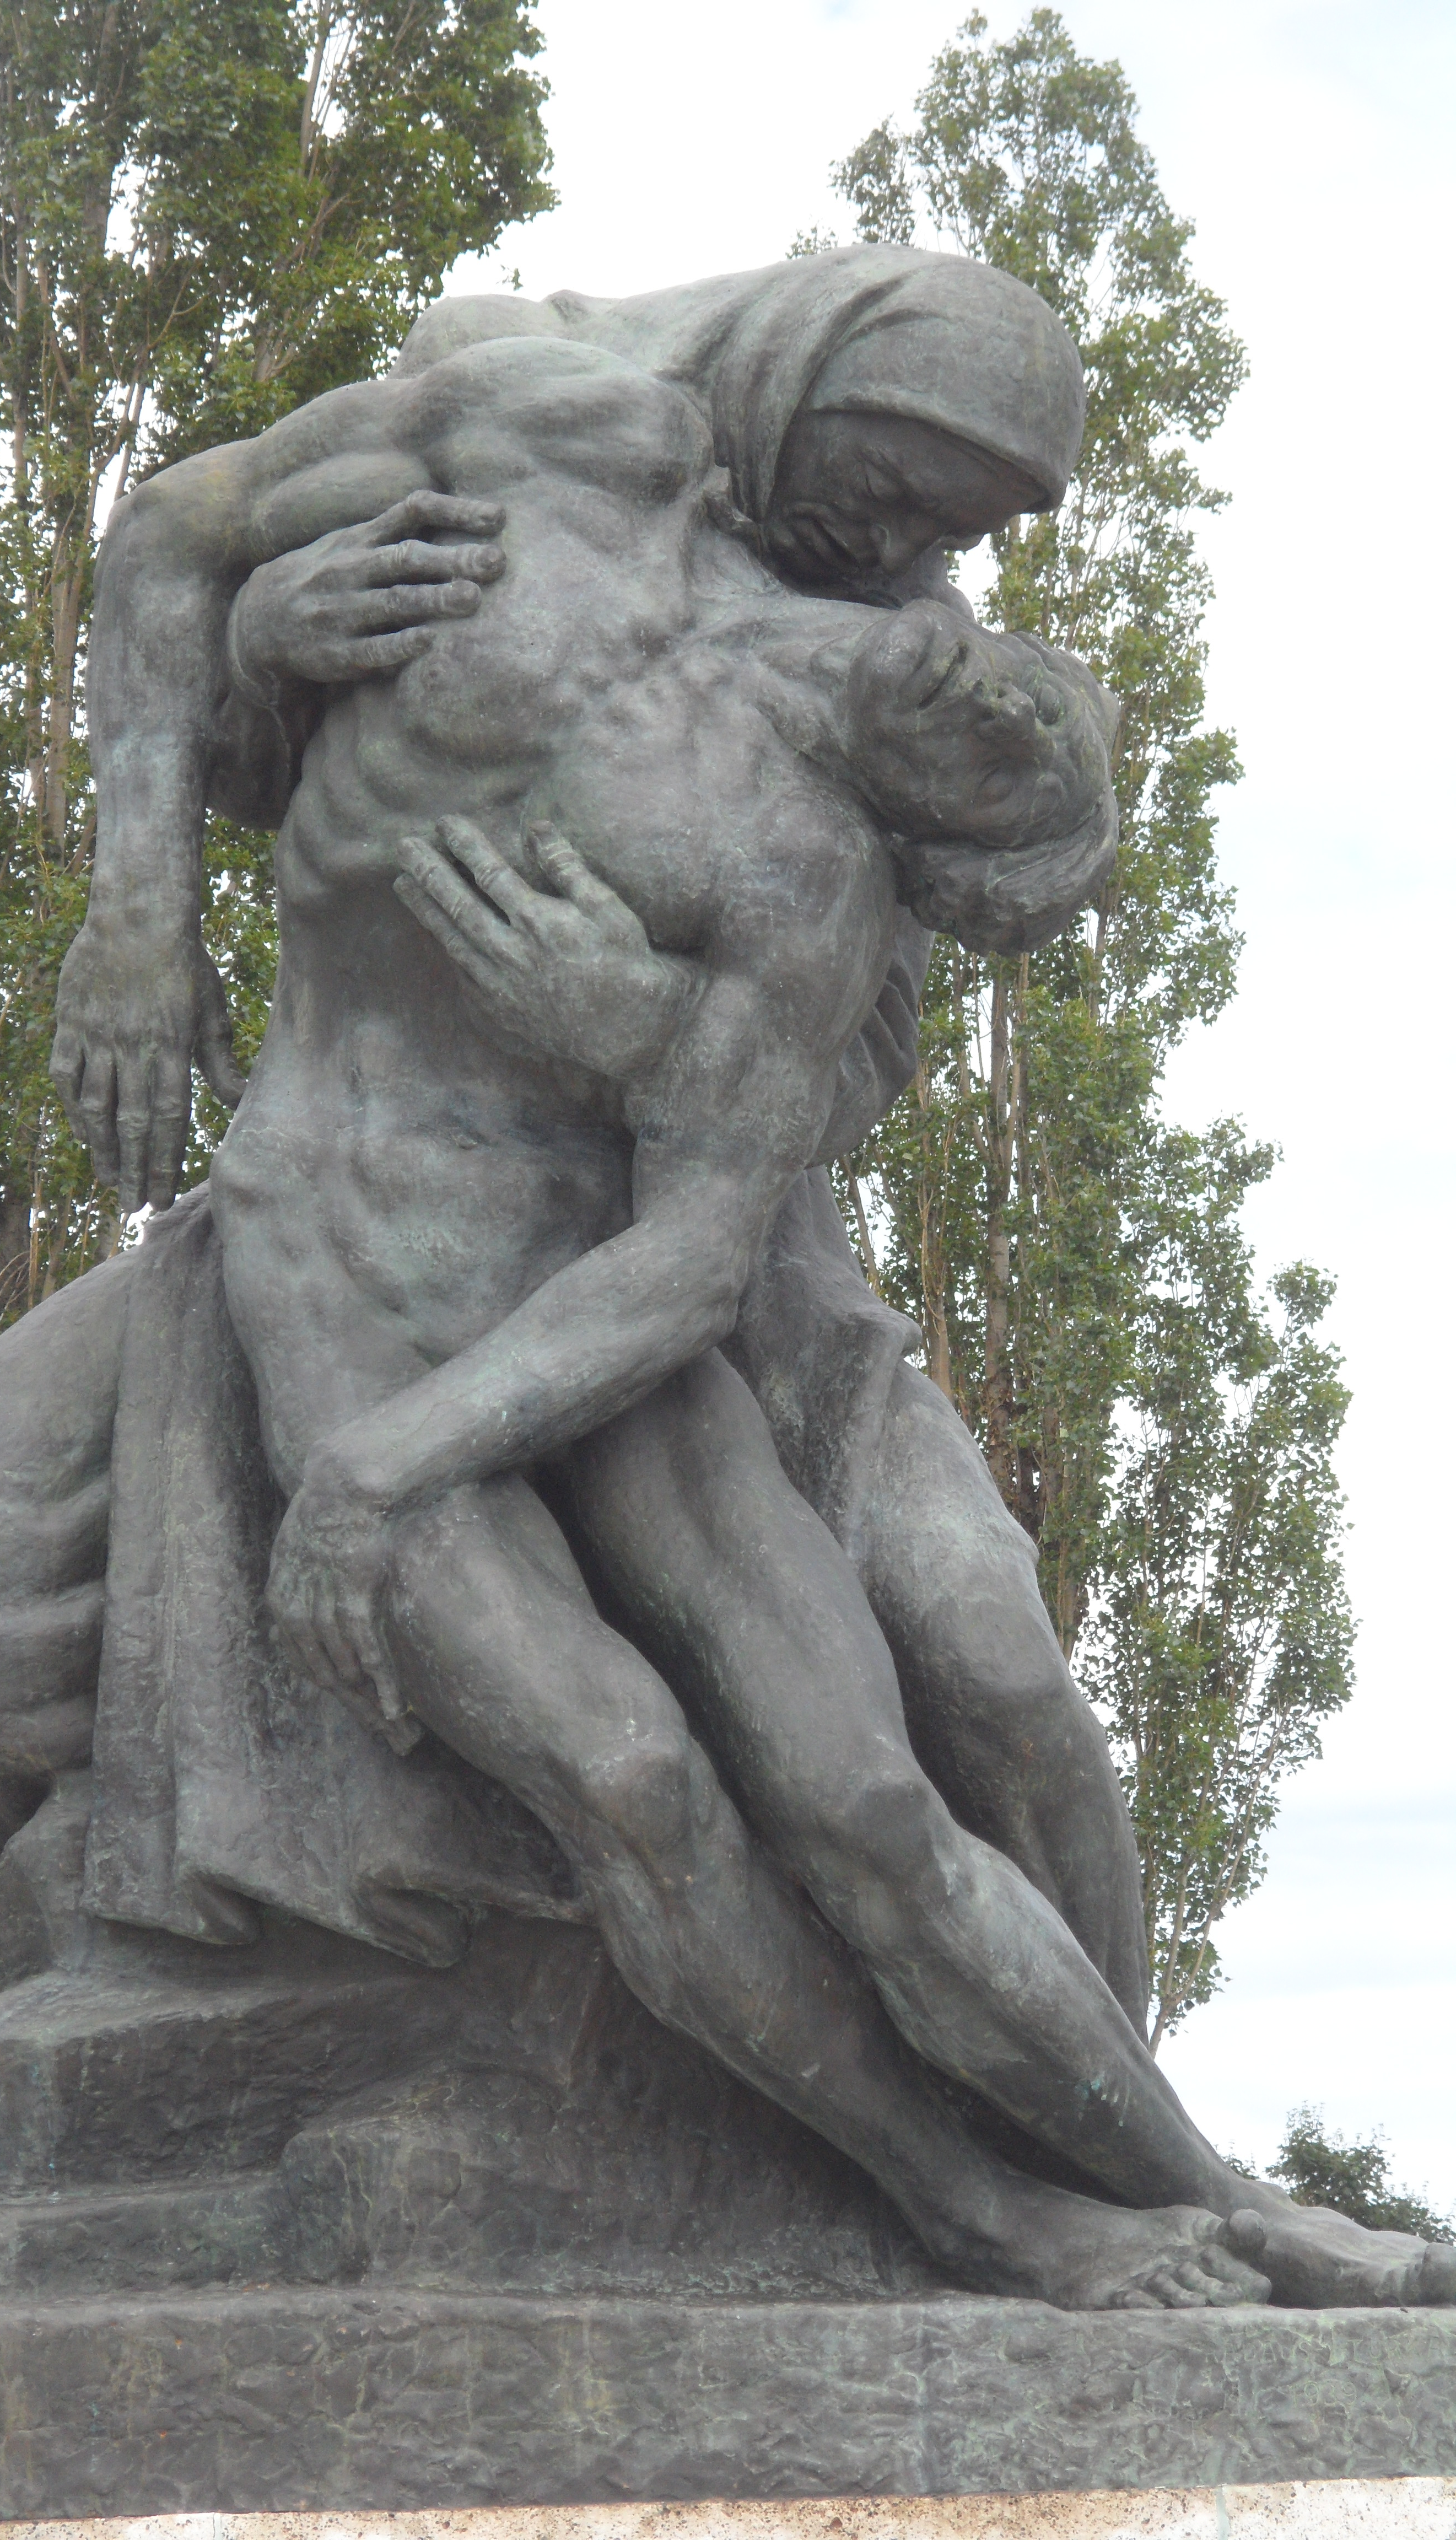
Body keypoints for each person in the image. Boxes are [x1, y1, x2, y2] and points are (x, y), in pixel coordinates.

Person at [111, 322, 1437, 2313]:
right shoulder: (578, 440)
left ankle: (1217, 2194)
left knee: (875, 1801)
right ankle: (976, 2206)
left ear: (945, 829)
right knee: (631, 1781)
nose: (991, 705)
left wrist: (384, 1473)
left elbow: (686, 1267)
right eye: (1025, 697)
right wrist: (165, 848)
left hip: (578, 1326)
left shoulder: (807, 874)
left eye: (1014, 771)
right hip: (347, 1268)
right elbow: (173, 532)